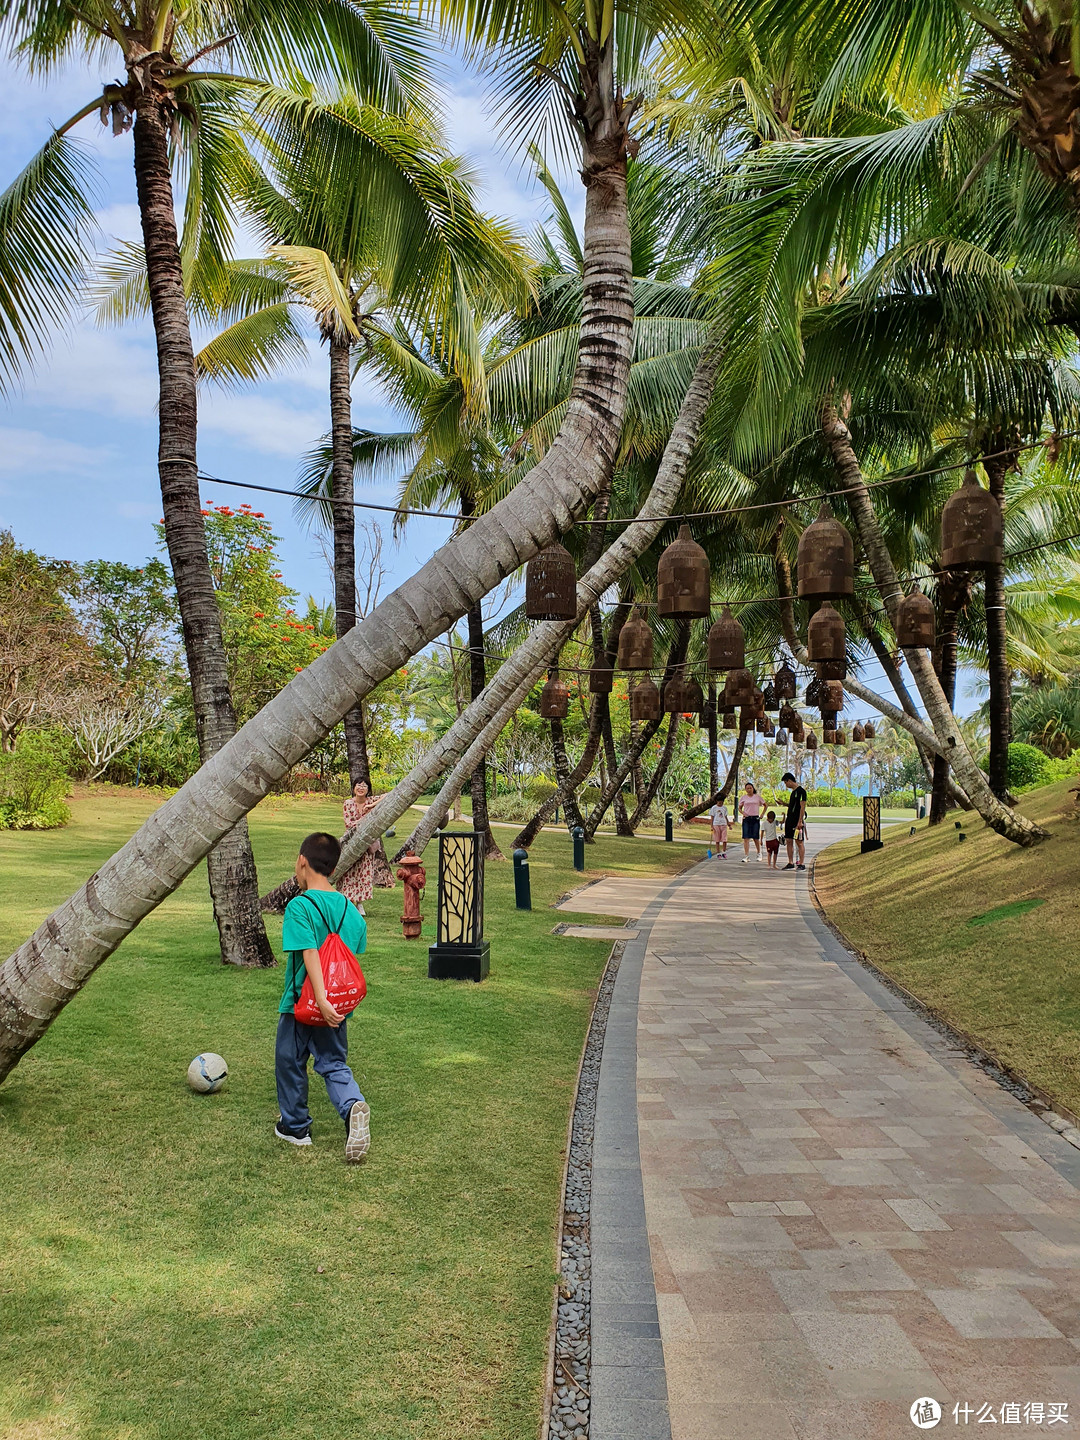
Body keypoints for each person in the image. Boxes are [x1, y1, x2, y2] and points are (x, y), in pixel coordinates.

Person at [275, 832, 371, 1163]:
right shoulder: (350, 910)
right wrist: (332, 1000)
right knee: (332, 1063)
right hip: (338, 1008)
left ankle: (295, 1128)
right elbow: (355, 949)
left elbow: (310, 953)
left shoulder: (300, 906)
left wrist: (320, 997)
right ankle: (352, 1105)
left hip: (302, 1004)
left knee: (289, 1060)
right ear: (332, 867)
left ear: (303, 862)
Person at [338, 780, 378, 913]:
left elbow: (389, 795)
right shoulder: (348, 803)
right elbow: (349, 824)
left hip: (366, 843)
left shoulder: (370, 801)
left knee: (363, 872)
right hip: (351, 841)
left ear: (368, 789)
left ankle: (359, 903)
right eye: (358, 785)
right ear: (354, 788)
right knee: (349, 872)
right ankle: (348, 901)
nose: (361, 788)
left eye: (364, 786)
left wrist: (372, 804)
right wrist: (364, 821)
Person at [781, 771, 808, 871]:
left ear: (789, 780)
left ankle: (801, 863)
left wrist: (800, 821)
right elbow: (793, 806)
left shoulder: (801, 792)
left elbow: (802, 807)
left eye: (785, 782)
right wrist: (784, 804)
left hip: (797, 820)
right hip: (789, 820)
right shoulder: (793, 793)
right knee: (788, 840)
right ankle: (790, 862)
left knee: (799, 841)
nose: (786, 785)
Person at [739, 781, 763, 863]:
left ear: (753, 788)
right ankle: (746, 856)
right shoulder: (743, 798)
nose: (749, 790)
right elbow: (739, 808)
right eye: (747, 788)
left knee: (756, 837)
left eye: (750, 788)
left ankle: (759, 853)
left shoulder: (757, 797)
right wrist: (743, 813)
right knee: (746, 838)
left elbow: (765, 805)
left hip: (755, 818)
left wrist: (762, 814)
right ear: (745, 789)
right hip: (747, 818)